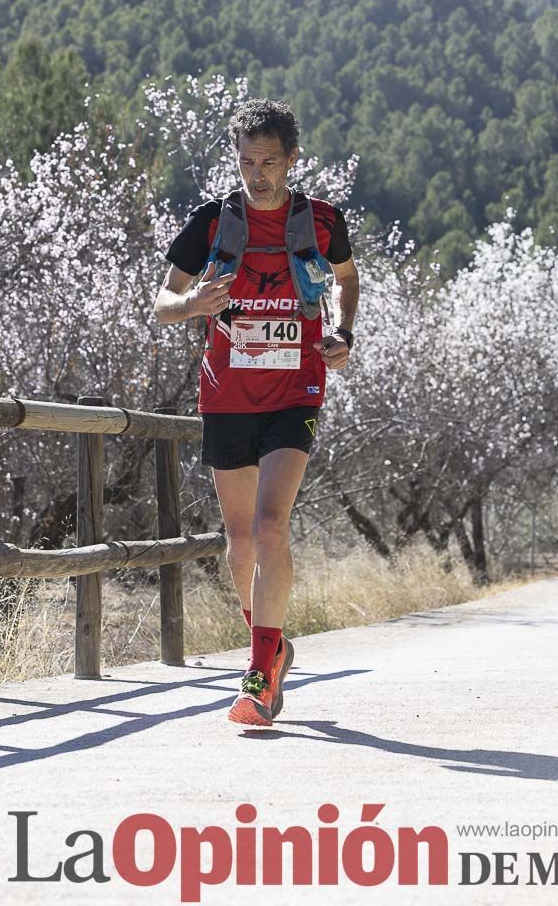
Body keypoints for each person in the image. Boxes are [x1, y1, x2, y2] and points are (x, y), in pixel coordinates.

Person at [153, 98, 359, 727]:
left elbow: (347, 278)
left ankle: (260, 673)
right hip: (226, 395)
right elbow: (163, 301)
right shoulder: (213, 221)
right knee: (240, 539)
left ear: (292, 160)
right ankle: (274, 646)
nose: (257, 173)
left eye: (269, 161)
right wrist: (193, 306)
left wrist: (344, 333)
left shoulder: (321, 221)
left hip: (296, 390)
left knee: (271, 524)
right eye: (246, 161)